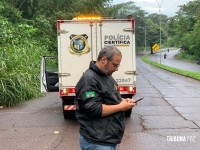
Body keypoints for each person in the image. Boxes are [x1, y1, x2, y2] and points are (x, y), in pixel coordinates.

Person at [75, 46, 137, 150]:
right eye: (115, 65)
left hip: (106, 140)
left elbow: (109, 97)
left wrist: (124, 101)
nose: (117, 69)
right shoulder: (89, 80)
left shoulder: (106, 75)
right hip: (97, 141)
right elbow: (94, 109)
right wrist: (121, 107)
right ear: (104, 60)